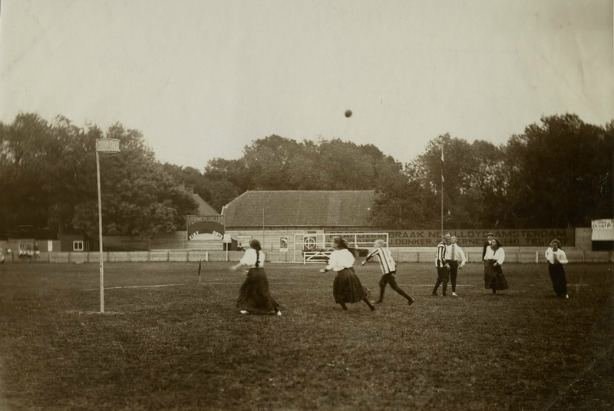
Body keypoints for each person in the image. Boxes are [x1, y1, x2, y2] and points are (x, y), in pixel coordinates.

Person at [320, 237, 375, 311]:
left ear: (337, 244)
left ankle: (344, 308)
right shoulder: (347, 251)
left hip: (342, 274)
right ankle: (370, 306)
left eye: (332, 242)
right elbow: (351, 260)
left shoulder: (335, 253)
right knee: (358, 290)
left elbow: (332, 264)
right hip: (351, 272)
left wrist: (325, 269)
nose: (331, 243)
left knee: (338, 291)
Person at [231, 239, 281, 315]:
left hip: (254, 273)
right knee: (264, 292)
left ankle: (246, 308)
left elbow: (244, 262)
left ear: (252, 245)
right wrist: (249, 271)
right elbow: (258, 265)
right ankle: (276, 310)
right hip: (261, 273)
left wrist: (235, 267)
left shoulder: (249, 251)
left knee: (246, 290)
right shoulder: (262, 253)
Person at [361, 239, 414, 306]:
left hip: (387, 271)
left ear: (379, 245)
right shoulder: (387, 250)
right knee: (382, 284)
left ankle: (410, 299)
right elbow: (392, 260)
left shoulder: (378, 249)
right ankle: (380, 300)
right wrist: (394, 270)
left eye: (375, 244)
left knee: (394, 287)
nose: (374, 245)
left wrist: (364, 261)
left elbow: (370, 255)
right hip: (391, 270)